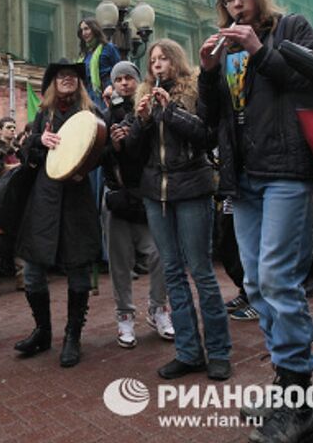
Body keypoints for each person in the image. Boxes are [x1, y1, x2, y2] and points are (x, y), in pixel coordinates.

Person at [198, 0, 313, 442]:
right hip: (244, 179)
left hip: (287, 171)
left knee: (276, 276)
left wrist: (259, 50)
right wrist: (209, 75)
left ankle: (302, 399)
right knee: (254, 282)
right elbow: (210, 120)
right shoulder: (226, 52)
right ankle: (285, 386)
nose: (235, 5)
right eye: (227, 0)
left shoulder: (292, 27)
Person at [122, 39, 231, 381]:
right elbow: (133, 155)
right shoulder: (142, 97)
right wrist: (140, 123)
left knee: (200, 271)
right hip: (156, 194)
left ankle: (218, 352)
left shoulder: (194, 88)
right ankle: (188, 352)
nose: (156, 63)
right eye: (152, 58)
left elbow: (205, 135)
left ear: (176, 60)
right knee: (171, 273)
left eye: (163, 57)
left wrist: (170, 111)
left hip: (192, 189)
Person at [14, 59, 102, 368]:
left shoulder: (90, 114)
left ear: (79, 84)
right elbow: (27, 154)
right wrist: (40, 140)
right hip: (45, 200)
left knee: (78, 270)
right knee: (33, 270)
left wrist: (84, 166)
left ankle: (72, 337)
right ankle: (43, 331)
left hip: (76, 200)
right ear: (53, 83)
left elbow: (102, 152)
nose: (67, 79)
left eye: (73, 76)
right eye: (62, 76)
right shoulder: (43, 114)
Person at [103, 61, 174, 348]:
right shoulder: (105, 113)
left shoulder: (149, 107)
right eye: (118, 79)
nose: (124, 83)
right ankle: (125, 316)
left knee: (160, 255)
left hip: (148, 196)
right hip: (119, 197)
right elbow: (99, 156)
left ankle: (158, 309)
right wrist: (114, 146)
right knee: (120, 263)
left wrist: (132, 138)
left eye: (128, 78)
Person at [0, 116, 24, 297]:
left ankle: (22, 278)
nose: (12, 130)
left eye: (14, 127)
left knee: (19, 241)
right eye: (9, 127)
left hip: (17, 200)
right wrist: (19, 167)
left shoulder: (19, 149)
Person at [77, 18, 121, 111]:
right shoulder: (83, 55)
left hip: (106, 91)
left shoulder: (109, 48)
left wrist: (112, 86)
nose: (84, 33)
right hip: (87, 95)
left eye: (86, 29)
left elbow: (120, 70)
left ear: (95, 29)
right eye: (81, 30)